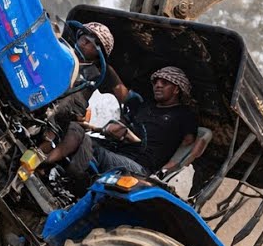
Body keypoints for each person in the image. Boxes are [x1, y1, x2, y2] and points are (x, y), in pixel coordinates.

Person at [44, 65, 198, 178]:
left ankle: (59, 173)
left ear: (177, 89)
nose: (158, 85)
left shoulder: (183, 115)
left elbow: (186, 150)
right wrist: (104, 65)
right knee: (74, 128)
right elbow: (121, 91)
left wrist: (164, 172)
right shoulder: (144, 106)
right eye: (156, 82)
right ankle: (42, 162)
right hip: (117, 150)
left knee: (88, 145)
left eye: (165, 83)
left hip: (140, 166)